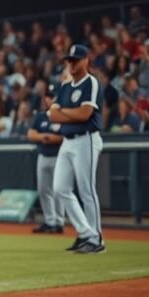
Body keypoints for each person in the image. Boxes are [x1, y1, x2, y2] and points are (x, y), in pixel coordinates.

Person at [50, 44, 105, 254]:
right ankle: (85, 233)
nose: (71, 64)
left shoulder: (90, 82)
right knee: (60, 188)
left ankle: (96, 238)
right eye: (69, 60)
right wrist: (68, 112)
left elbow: (85, 115)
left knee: (86, 190)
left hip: (87, 139)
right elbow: (52, 115)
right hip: (68, 140)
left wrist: (64, 112)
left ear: (86, 60)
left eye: (75, 60)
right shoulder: (65, 86)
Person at [27, 86, 64, 233]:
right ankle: (50, 221)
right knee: (43, 190)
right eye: (47, 96)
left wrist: (48, 138)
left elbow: (63, 137)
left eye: (52, 96)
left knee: (59, 191)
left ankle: (59, 222)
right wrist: (44, 137)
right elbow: (31, 134)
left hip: (58, 157)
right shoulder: (41, 116)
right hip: (43, 155)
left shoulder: (62, 115)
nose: (49, 99)